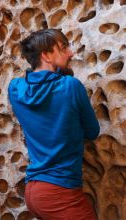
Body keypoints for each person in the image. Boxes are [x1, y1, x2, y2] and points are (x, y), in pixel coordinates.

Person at [8, 28, 100, 220]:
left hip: (33, 191)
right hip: (61, 192)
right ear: (46, 55)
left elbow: (31, 82)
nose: (71, 53)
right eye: (63, 47)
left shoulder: (15, 89)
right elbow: (92, 131)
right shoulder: (70, 86)